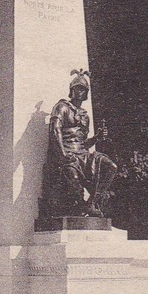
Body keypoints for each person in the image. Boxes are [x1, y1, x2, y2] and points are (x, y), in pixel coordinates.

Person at [41, 69, 117, 218]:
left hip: (83, 154)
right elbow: (55, 132)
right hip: (67, 154)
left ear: (87, 93)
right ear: (72, 90)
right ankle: (80, 207)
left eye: (83, 89)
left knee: (111, 167)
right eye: (77, 88)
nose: (80, 92)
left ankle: (91, 203)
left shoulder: (85, 115)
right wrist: (63, 155)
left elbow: (83, 143)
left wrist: (97, 137)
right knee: (73, 177)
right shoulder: (62, 107)